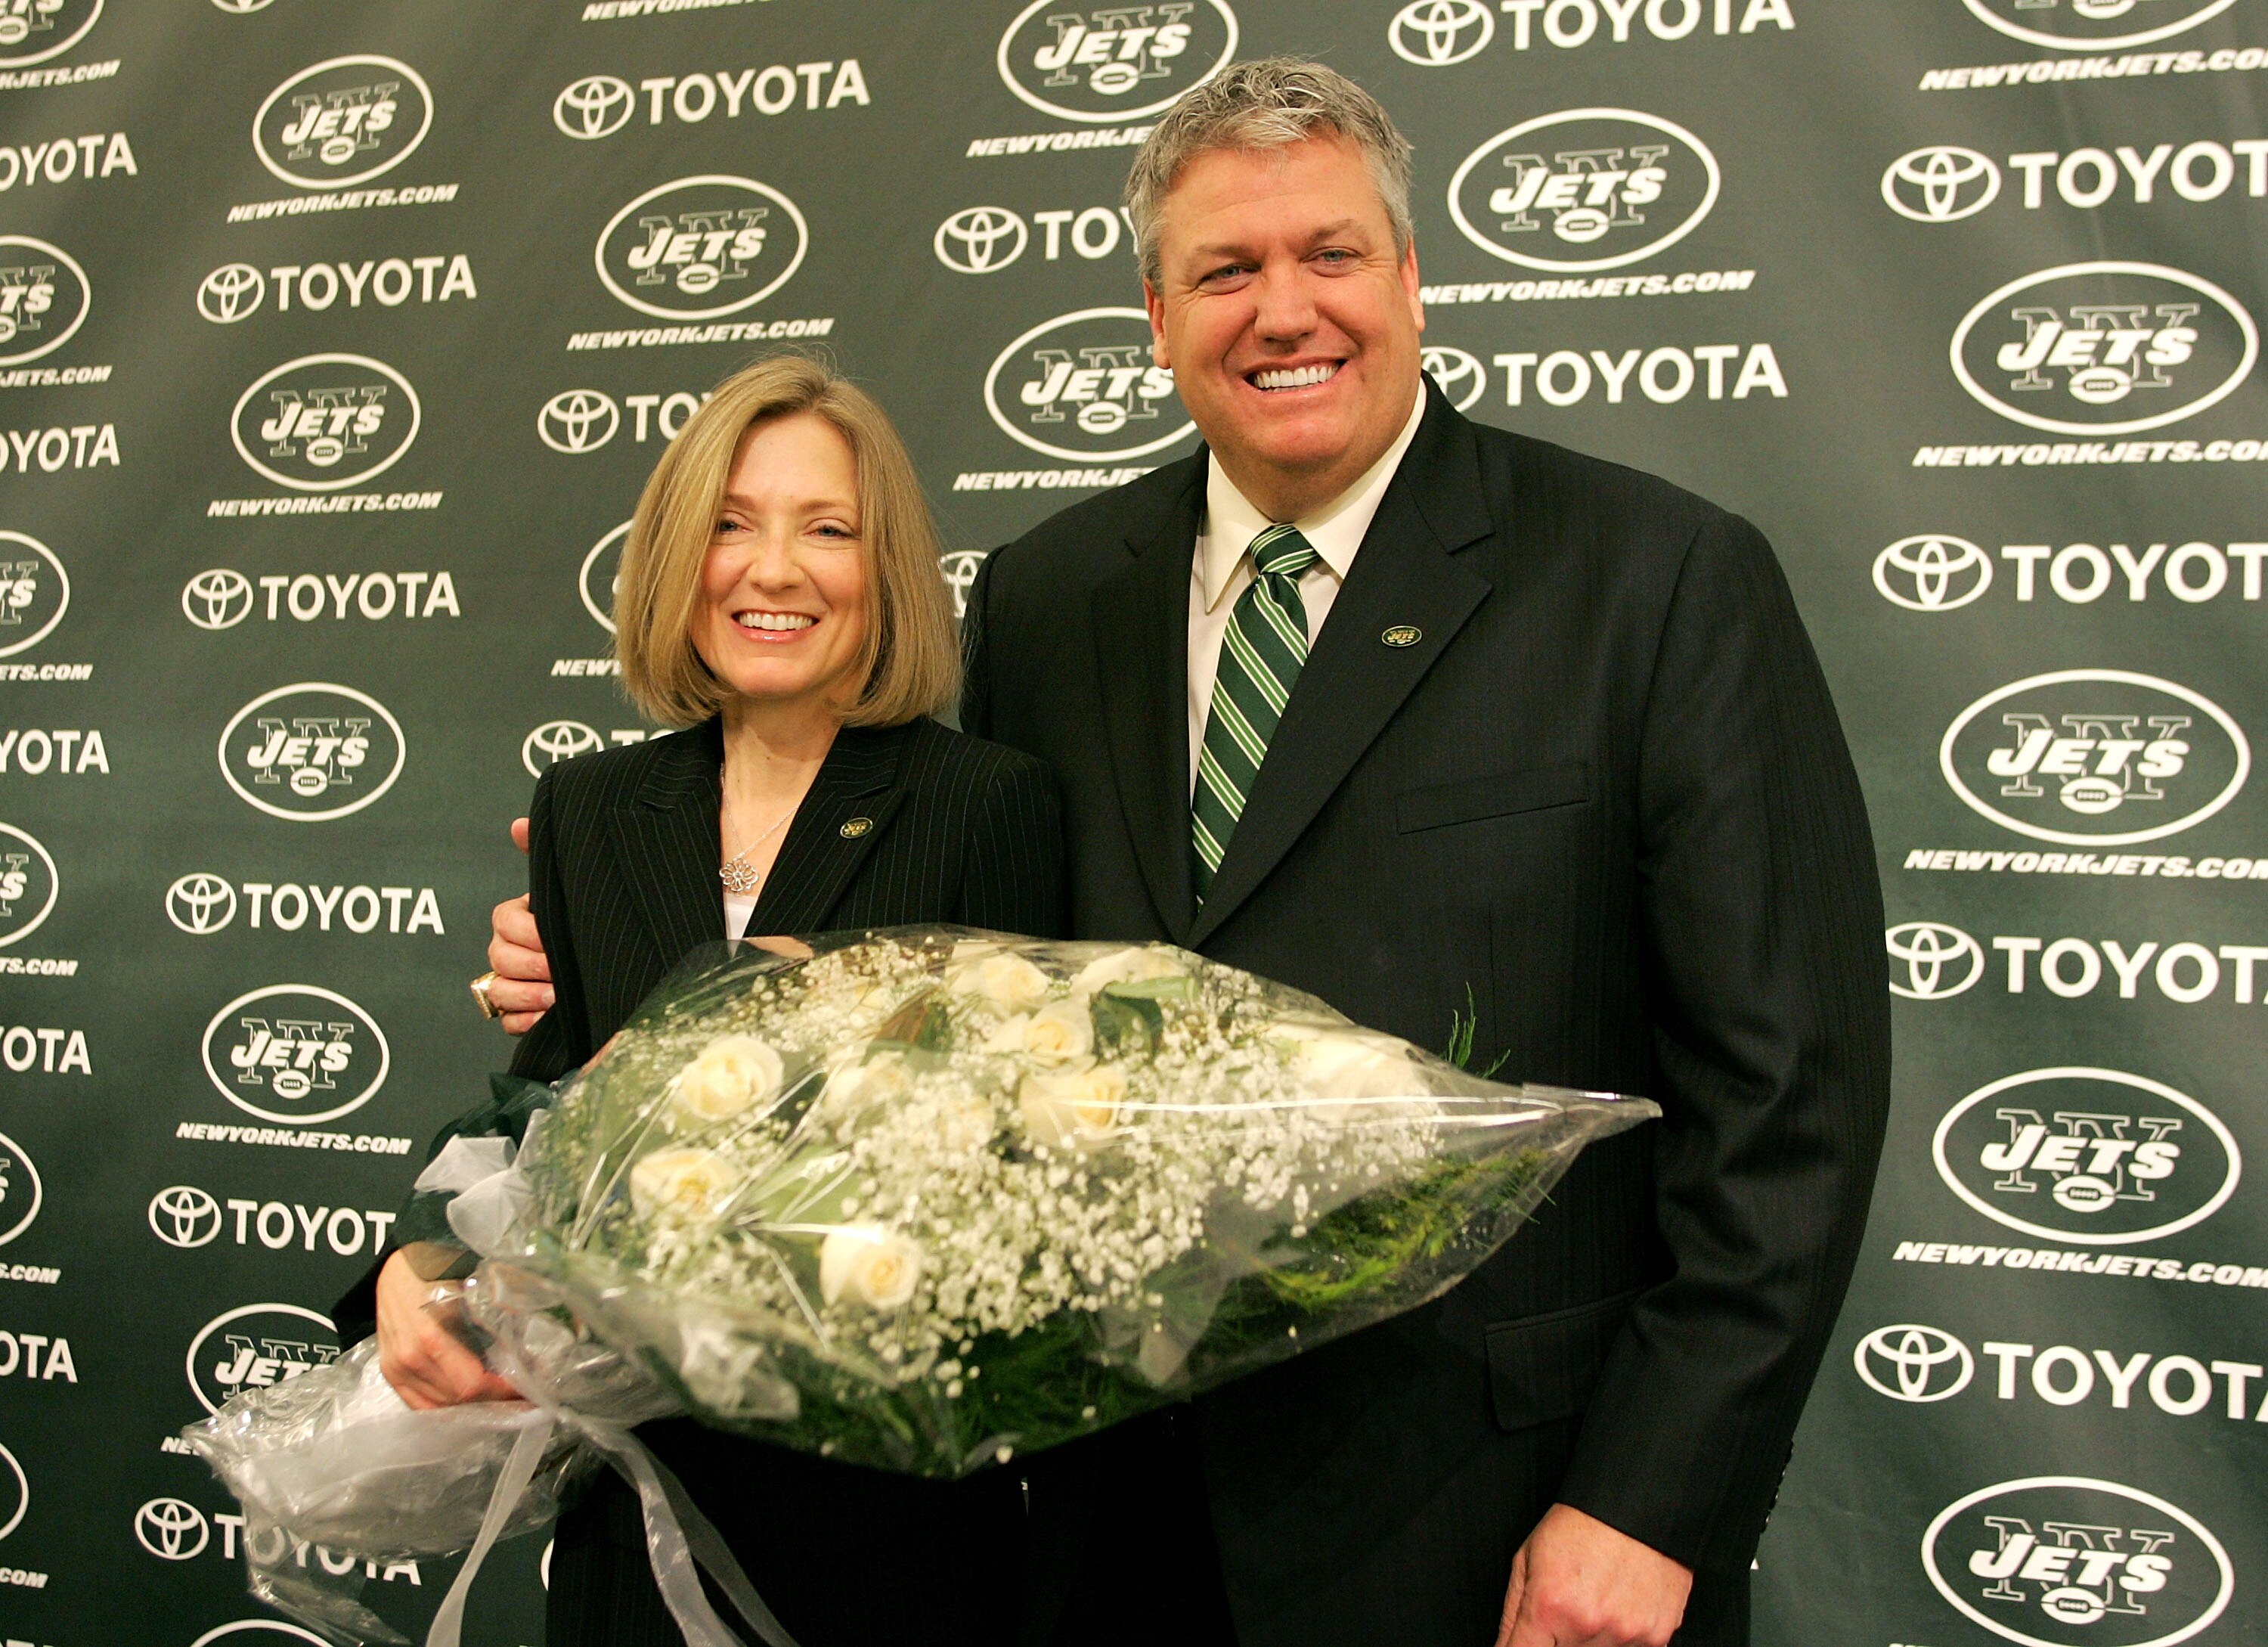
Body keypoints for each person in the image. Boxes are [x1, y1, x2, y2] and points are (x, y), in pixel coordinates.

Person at [487, 61, 1892, 1647]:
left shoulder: (1659, 579)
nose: (1283, 310)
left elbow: (1794, 1110)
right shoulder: (1053, 592)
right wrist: (628, 967)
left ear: (1414, 278)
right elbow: (935, 970)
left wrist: (1650, 1504)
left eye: (1331, 255)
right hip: (1107, 1527)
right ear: (1157, 320)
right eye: (1226, 270)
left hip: (1504, 1536)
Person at [348, 354, 1065, 1647]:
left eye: (826, 528)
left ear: (884, 565)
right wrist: (422, 1259)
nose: (772, 569)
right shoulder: (594, 805)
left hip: (882, 1539)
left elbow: (1026, 1164)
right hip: (634, 1520)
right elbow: (542, 1109)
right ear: (677, 559)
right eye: (730, 524)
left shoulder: (986, 802)